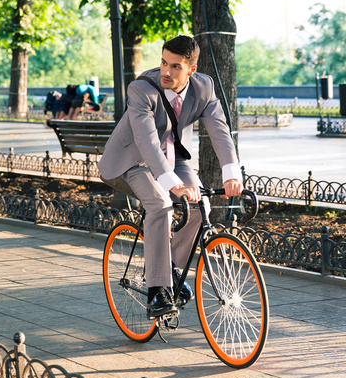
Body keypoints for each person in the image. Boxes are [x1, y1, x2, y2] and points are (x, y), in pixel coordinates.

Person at [98, 35, 242, 319]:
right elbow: (147, 141)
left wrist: (231, 173)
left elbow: (220, 130)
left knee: (202, 206)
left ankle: (172, 268)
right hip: (131, 160)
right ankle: (157, 290)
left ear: (192, 69)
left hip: (171, 159)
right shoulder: (141, 89)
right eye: (164, 62)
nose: (166, 71)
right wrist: (172, 184)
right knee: (161, 204)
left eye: (175, 66)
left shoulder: (204, 87)